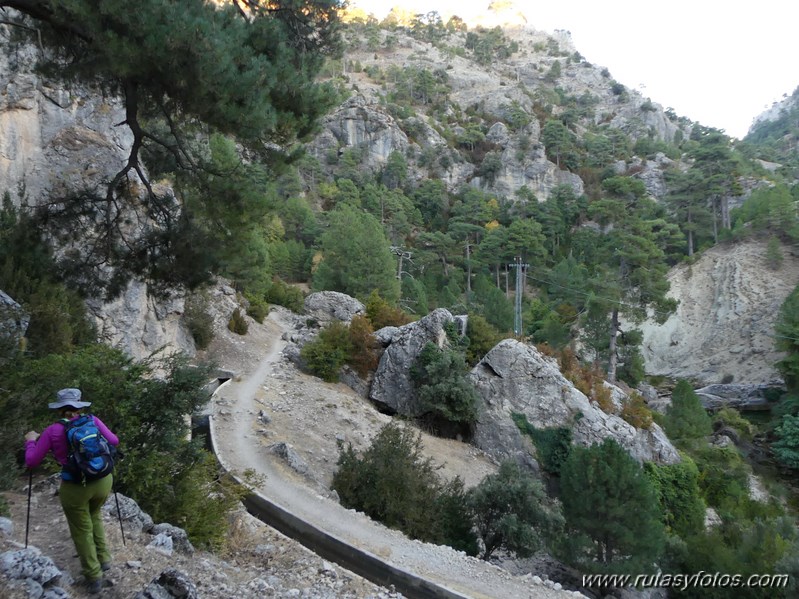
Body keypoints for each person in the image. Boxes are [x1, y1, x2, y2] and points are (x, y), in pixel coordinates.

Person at [24, 388, 119, 594]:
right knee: (95, 516)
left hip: (76, 485)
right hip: (103, 480)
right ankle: (104, 560)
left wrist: (31, 441)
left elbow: (32, 461)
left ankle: (93, 576)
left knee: (81, 529)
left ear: (59, 410)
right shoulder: (93, 421)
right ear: (79, 406)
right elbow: (114, 441)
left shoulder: (52, 431)